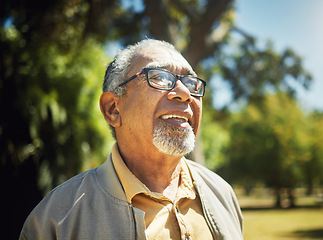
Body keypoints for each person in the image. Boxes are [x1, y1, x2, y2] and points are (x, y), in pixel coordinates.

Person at [19, 39, 243, 240]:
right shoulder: (56, 219)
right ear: (113, 109)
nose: (184, 92)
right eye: (159, 77)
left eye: (192, 82)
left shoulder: (222, 193)